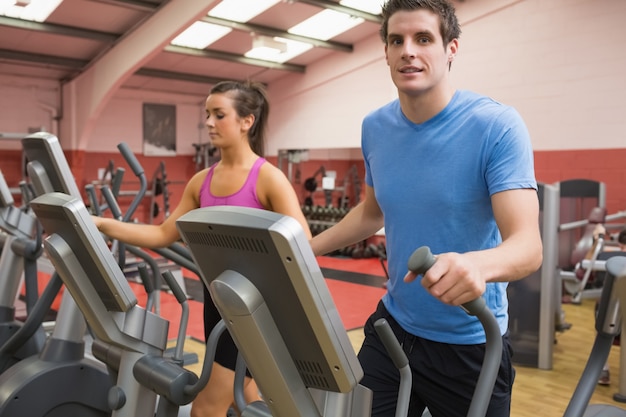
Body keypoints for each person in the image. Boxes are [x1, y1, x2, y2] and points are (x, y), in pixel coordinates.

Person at [309, 1, 542, 416]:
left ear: (451, 48)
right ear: (384, 52)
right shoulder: (375, 127)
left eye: (423, 39)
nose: (408, 51)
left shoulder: (497, 126)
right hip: (392, 329)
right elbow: (371, 212)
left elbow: (527, 247)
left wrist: (478, 266)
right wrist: (304, 249)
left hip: (469, 342)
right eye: (396, 40)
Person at [92, 80, 312, 417]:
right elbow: (162, 234)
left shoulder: (267, 178)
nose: (208, 123)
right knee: (246, 401)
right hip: (217, 302)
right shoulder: (201, 182)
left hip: (255, 308)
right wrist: (101, 224)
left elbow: (303, 242)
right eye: (207, 115)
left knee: (206, 408)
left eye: (218, 115)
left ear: (246, 121)